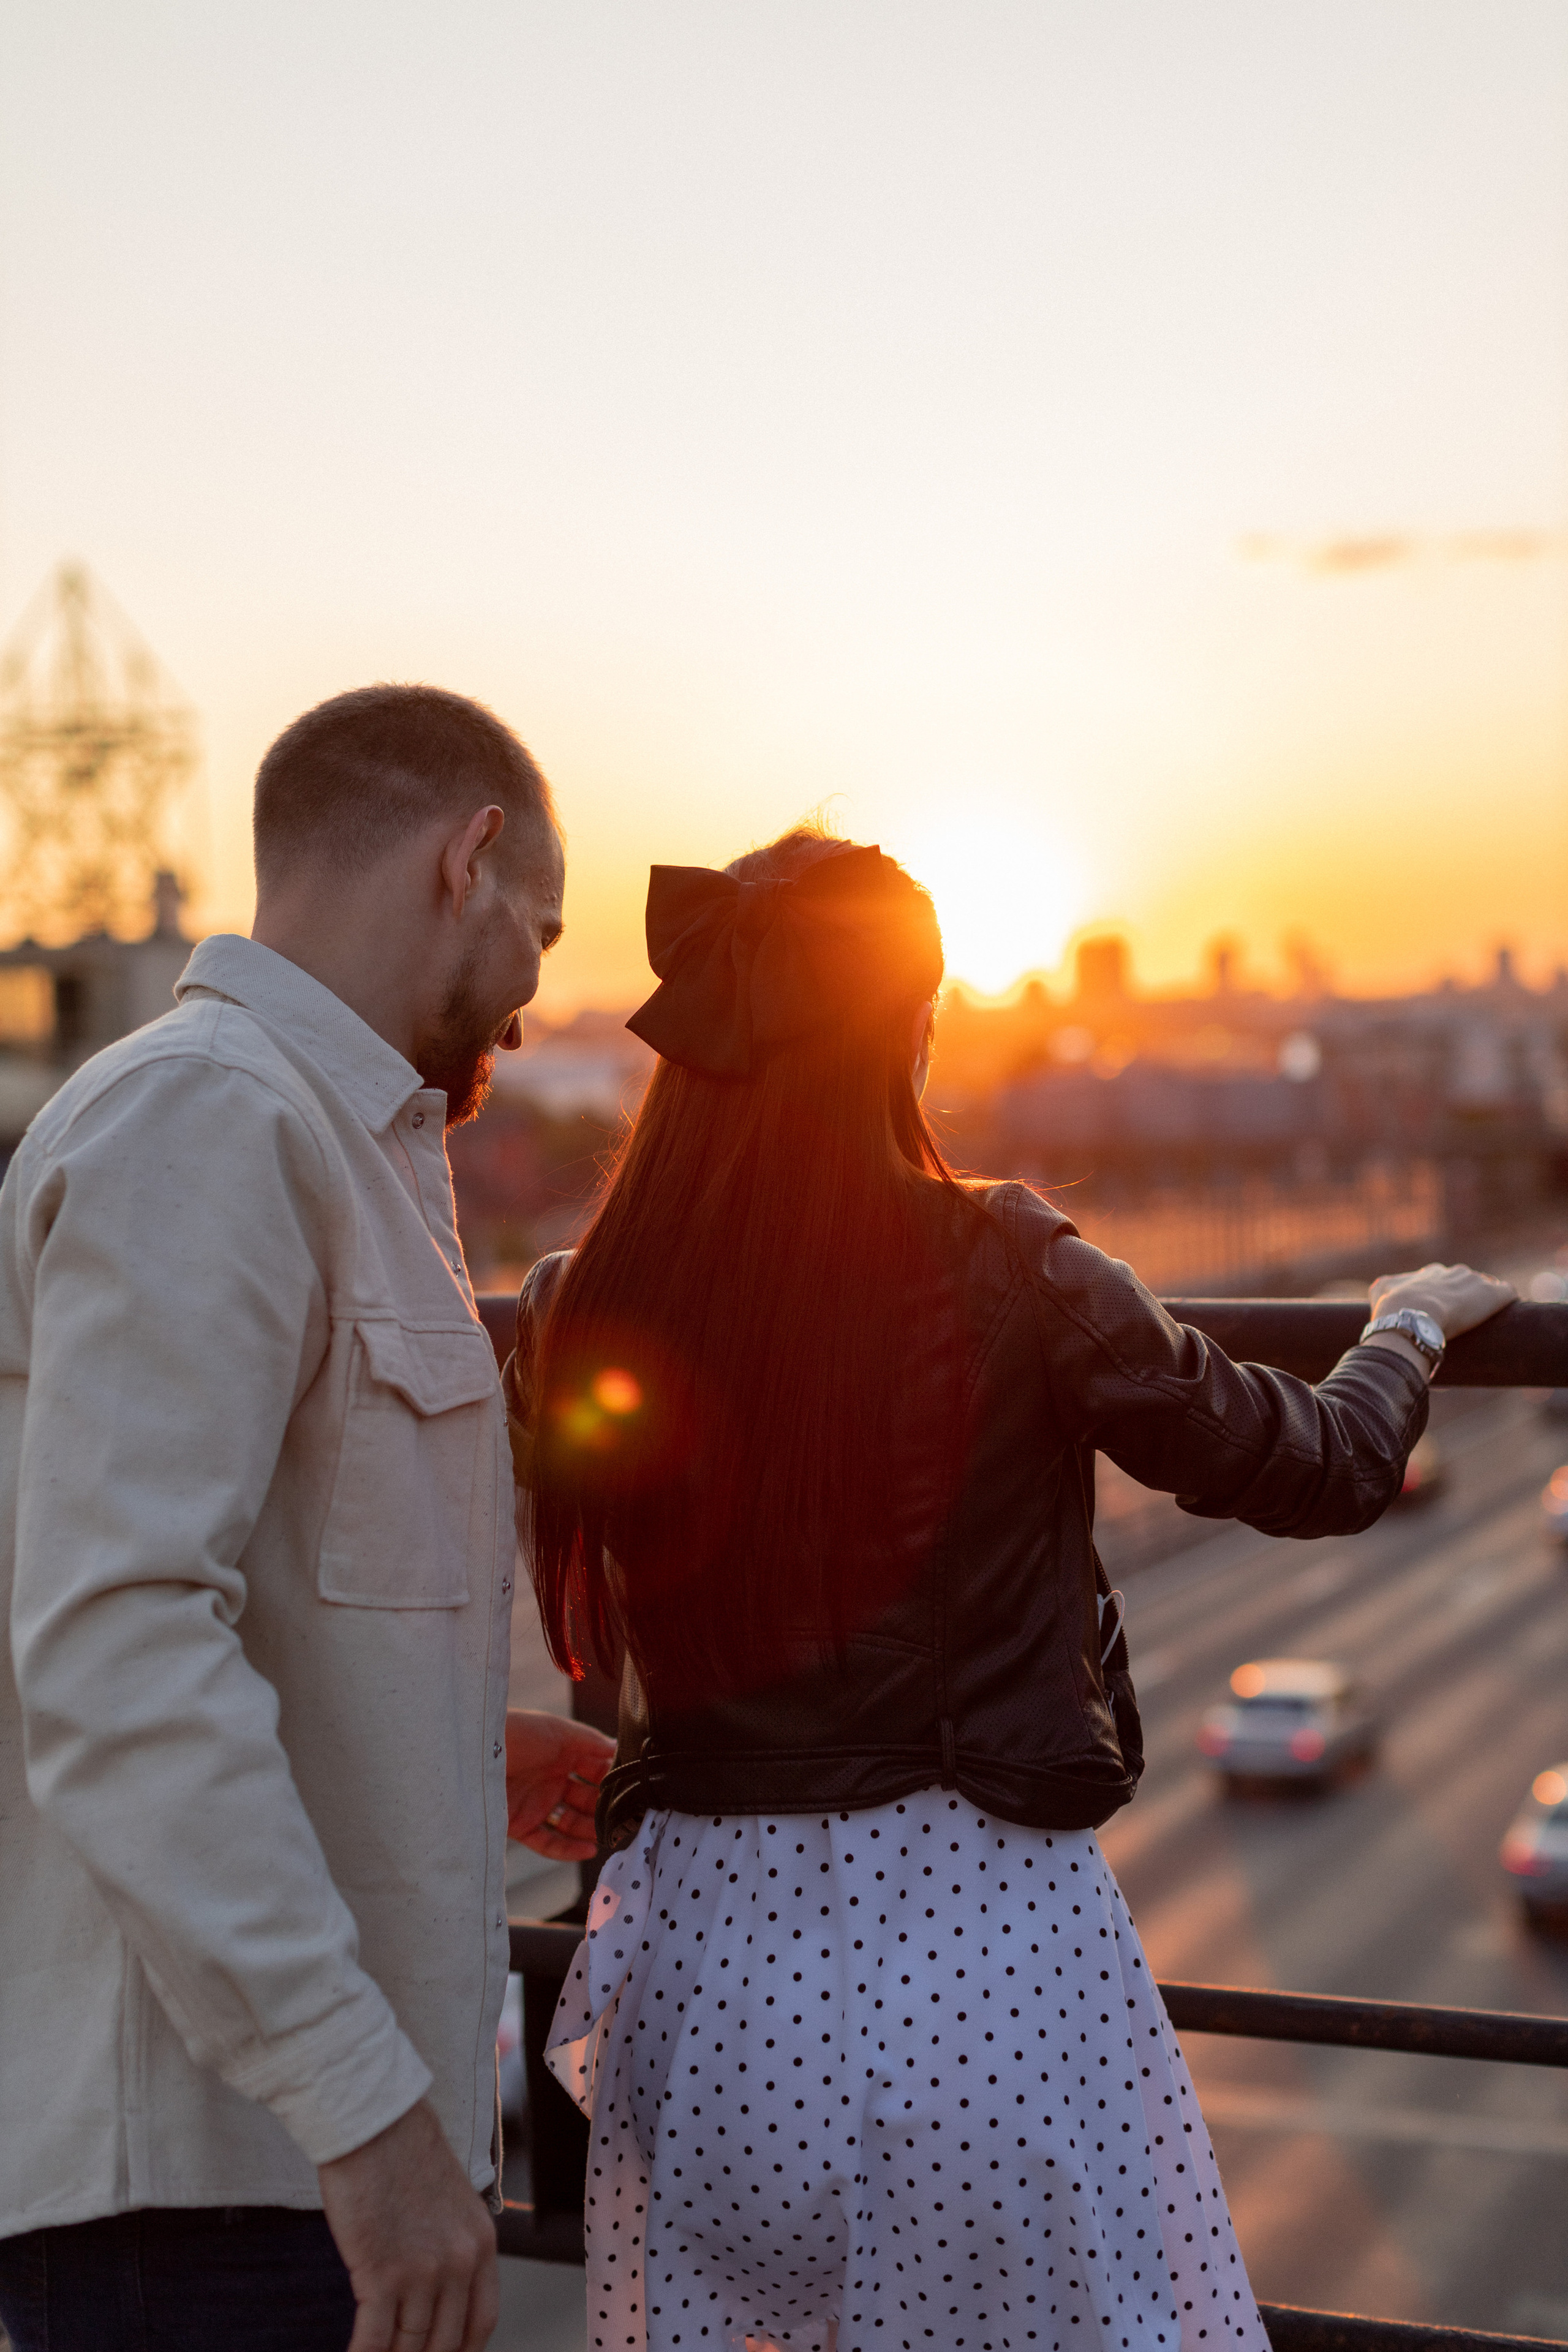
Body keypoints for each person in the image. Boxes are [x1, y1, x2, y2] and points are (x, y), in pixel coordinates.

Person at [503, 826, 1513, 2352]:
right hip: (970, 1976)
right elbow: (1313, 1468)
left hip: (698, 2003)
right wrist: (1408, 1329)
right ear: (909, 1026)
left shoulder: (586, 1295)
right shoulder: (1008, 1264)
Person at [0, 685, 615, 2352]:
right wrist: (367, 2121)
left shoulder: (317, 1140)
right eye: (541, 932)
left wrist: (455, 1746)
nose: (534, 999)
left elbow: (229, 1595)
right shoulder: (209, 1121)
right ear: (468, 858)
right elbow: (114, 1658)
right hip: (216, 2201)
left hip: (281, 2187)